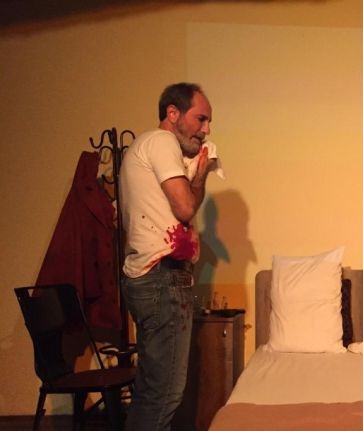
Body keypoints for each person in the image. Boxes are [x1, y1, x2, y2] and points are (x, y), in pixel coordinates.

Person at [119, 82, 216, 431]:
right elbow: (186, 207)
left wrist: (197, 174)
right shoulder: (161, 142)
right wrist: (200, 174)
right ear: (172, 113)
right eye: (201, 119)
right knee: (163, 396)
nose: (206, 130)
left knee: (151, 392)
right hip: (161, 278)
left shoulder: (146, 147)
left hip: (153, 277)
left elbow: (184, 206)